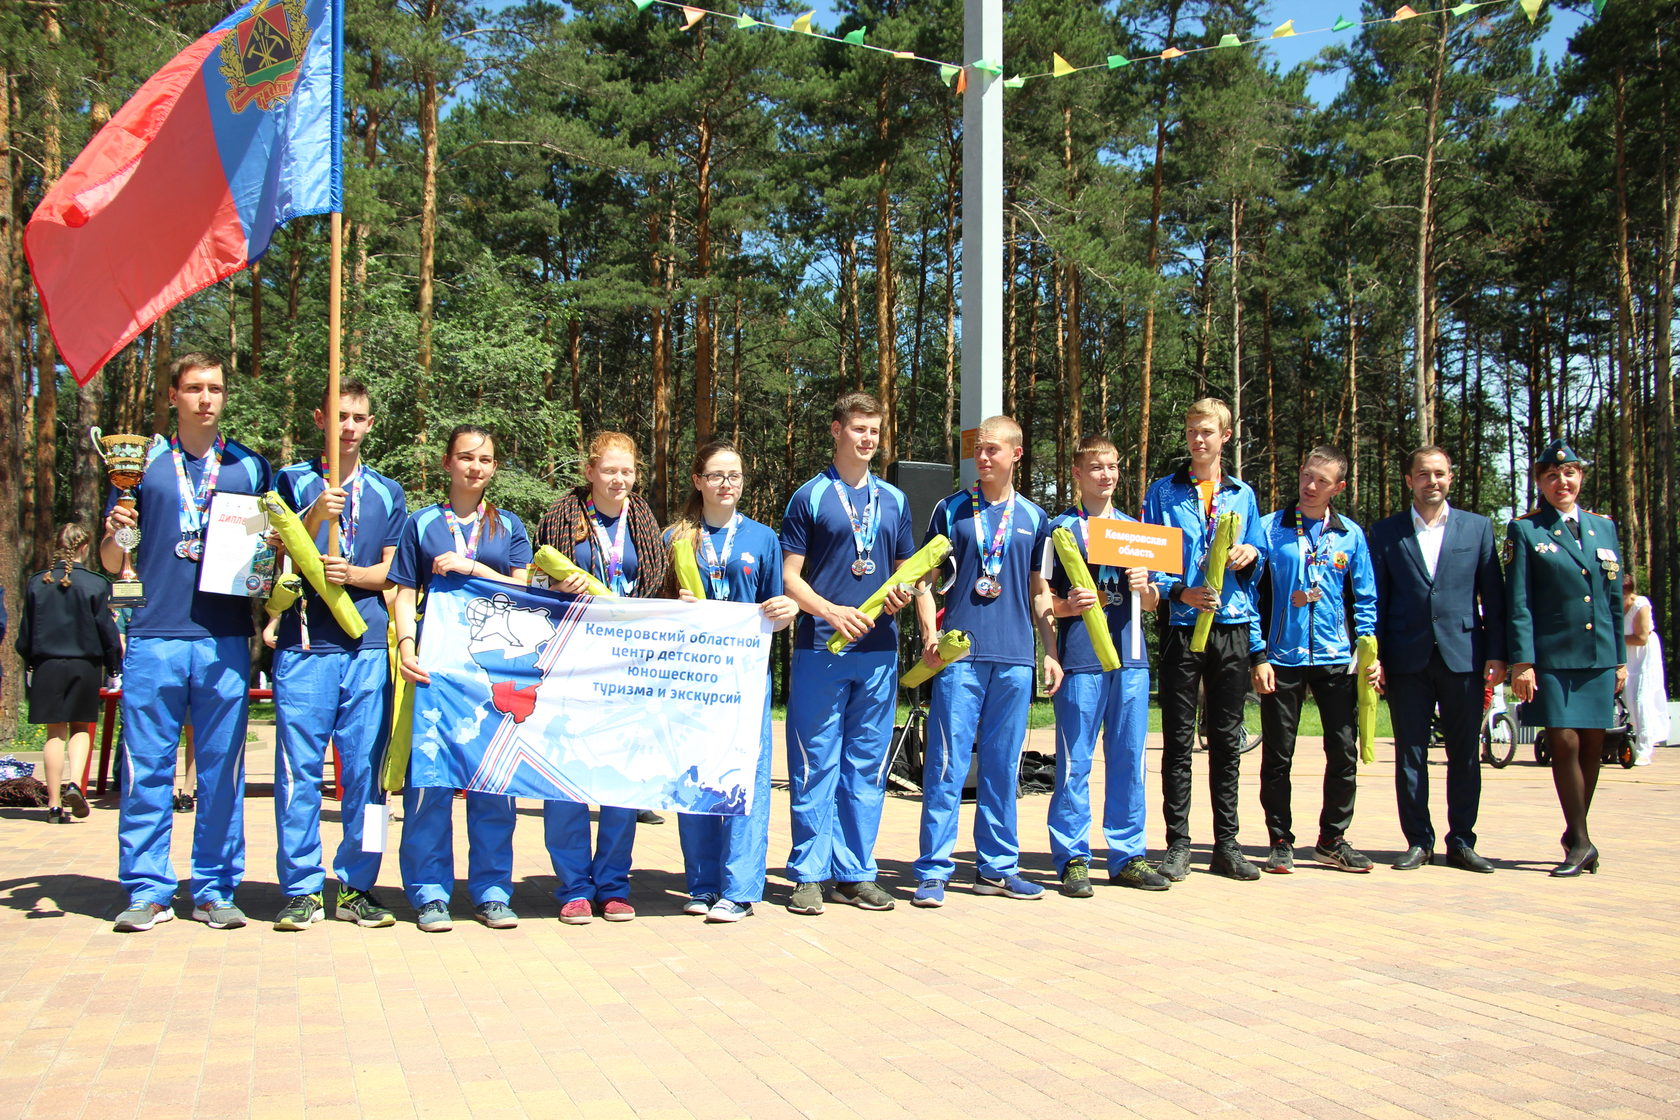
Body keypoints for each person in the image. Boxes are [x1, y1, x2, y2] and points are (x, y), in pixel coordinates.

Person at [102, 353, 274, 933]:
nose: (207, 398)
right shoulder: (141, 464)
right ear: (173, 395)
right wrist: (117, 530)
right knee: (146, 767)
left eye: (216, 388)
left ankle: (214, 887)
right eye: (195, 388)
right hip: (154, 632)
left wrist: (264, 556)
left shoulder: (248, 467)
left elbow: (261, 550)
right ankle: (147, 887)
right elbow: (111, 560)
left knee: (222, 770)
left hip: (224, 635)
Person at [269, 380, 407, 930]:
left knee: (368, 778)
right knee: (297, 772)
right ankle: (300, 886)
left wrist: (352, 574)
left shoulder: (386, 492)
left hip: (367, 648)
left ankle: (358, 886)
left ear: (370, 425)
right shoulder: (291, 480)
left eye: (359, 418)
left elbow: (392, 576)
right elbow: (271, 552)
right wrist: (313, 516)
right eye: (340, 416)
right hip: (306, 646)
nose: (349, 426)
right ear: (321, 419)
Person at [910, 415, 1061, 907]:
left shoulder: (1037, 519)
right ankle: (933, 870)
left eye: (994, 449)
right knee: (948, 764)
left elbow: (1040, 589)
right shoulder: (950, 508)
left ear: (1017, 454)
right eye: (979, 449)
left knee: (1002, 766)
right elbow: (924, 580)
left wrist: (1051, 652)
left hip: (1016, 658)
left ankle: (997, 868)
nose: (983, 457)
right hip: (959, 658)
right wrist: (930, 634)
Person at [778, 393, 915, 915]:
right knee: (816, 762)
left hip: (880, 650)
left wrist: (905, 594)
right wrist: (830, 611)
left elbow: (907, 573)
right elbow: (790, 579)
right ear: (836, 430)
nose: (868, 439)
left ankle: (855, 872)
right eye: (858, 429)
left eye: (875, 431)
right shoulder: (808, 498)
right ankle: (809, 872)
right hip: (823, 647)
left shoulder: (895, 501)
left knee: (865, 766)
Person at [392, 425, 532, 930]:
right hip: (435, 669)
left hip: (493, 671)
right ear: (448, 463)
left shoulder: (509, 526)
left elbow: (522, 591)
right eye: (467, 457)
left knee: (493, 781)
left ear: (495, 468)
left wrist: (473, 567)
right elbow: (404, 594)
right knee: (429, 782)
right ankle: (429, 892)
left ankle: (493, 890)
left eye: (486, 459)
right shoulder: (421, 523)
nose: (476, 467)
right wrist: (407, 644)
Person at [536, 432, 671, 924]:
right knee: (566, 774)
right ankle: (573, 886)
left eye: (627, 471)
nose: (619, 480)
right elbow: (532, 587)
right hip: (572, 663)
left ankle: (613, 885)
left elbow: (659, 583)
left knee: (622, 779)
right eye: (610, 470)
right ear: (590, 471)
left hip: (627, 665)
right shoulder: (559, 517)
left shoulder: (642, 519)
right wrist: (553, 586)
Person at [666, 442, 799, 922]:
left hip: (745, 682)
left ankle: (740, 888)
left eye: (736, 475)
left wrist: (787, 611)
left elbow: (776, 607)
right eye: (717, 474)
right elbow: (656, 616)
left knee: (745, 778)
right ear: (698, 480)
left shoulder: (763, 538)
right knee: (696, 777)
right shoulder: (674, 537)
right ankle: (701, 883)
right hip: (692, 682)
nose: (727, 483)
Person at [1141, 398, 1264, 881]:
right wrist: (1179, 591)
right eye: (1192, 430)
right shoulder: (1162, 493)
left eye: (1208, 432)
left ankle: (1228, 844)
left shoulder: (1243, 495)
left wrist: (1250, 551)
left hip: (1230, 624)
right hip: (1180, 626)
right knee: (1177, 737)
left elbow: (1259, 555)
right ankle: (1178, 843)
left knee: (1227, 738)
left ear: (1226, 437)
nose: (1198, 439)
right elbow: (1149, 562)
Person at [1368, 446, 1506, 872]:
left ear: (1451, 477)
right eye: (1423, 474)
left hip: (1464, 657)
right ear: (1409, 480)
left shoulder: (1477, 529)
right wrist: (1378, 658)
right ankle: (1418, 841)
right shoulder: (1386, 533)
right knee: (1410, 753)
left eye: (1440, 474)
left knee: (1464, 753)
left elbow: (1495, 599)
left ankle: (1462, 840)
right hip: (1406, 659)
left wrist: (1499, 655)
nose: (1432, 481)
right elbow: (1376, 601)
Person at [1041, 437, 1168, 895]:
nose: (1106, 475)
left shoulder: (1138, 530)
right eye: (1096, 468)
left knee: (1130, 760)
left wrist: (1144, 585)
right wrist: (1066, 610)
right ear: (1077, 474)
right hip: (1081, 662)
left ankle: (1128, 855)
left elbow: (1154, 602)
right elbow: (1042, 600)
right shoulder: (1059, 530)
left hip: (1131, 660)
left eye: (1113, 467)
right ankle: (1072, 856)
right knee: (1075, 760)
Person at [1251, 446, 1378, 874]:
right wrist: (1258, 653)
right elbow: (1249, 595)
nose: (1309, 486)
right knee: (1278, 755)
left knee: (1343, 750)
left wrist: (1367, 650)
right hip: (1282, 657)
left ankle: (1332, 839)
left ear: (1338, 487)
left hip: (1334, 658)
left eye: (1322, 481)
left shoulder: (1350, 535)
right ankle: (1280, 840)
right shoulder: (1270, 528)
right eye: (1306, 475)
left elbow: (1365, 598)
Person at [1505, 439, 1627, 877]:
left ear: (1581, 477)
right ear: (1540, 482)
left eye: (1570, 473)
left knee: (1595, 742)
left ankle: (1577, 834)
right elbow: (1518, 601)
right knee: (1564, 739)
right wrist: (1522, 660)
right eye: (1553, 475)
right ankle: (1580, 839)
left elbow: (1613, 597)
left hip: (1598, 655)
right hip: (1552, 657)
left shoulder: (1603, 528)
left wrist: (1619, 660)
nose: (1563, 482)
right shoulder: (1527, 530)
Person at [16, 524, 123, 823]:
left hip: (47, 664)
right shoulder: (95, 584)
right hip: (85, 665)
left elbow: (26, 631)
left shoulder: (37, 583)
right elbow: (106, 628)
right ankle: (76, 783)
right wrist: (113, 665)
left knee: (54, 733)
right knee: (80, 728)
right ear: (85, 547)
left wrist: (30, 662)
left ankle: (52, 803)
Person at [1623, 576, 1669, 766]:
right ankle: (1626, 740)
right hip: (1625, 655)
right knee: (1625, 697)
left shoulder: (1641, 604)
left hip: (1643, 656)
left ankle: (1644, 749)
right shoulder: (1611, 604)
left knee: (1641, 698)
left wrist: (1613, 639)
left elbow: (1641, 638)